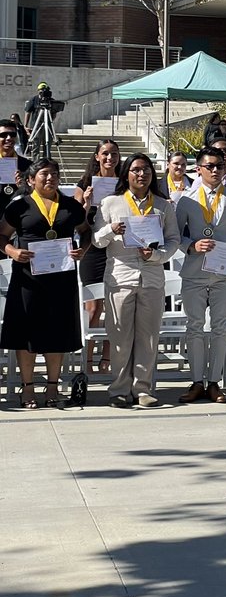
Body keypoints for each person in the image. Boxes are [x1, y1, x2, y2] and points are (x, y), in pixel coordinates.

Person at [0, 158, 91, 408]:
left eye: (54, 174)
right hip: (28, 279)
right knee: (26, 333)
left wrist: (82, 250)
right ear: (31, 180)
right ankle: (27, 387)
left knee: (57, 332)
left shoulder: (71, 206)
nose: (50, 178)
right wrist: (12, 252)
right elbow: (1, 235)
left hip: (61, 279)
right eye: (44, 174)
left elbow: (86, 231)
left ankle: (52, 386)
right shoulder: (19, 207)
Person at [93, 153, 180, 408]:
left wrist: (157, 255)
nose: (142, 175)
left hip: (152, 277)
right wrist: (112, 229)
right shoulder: (110, 203)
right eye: (136, 170)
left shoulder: (163, 206)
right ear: (126, 174)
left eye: (147, 171)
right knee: (120, 336)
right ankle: (119, 389)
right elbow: (97, 240)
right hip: (120, 277)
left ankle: (142, 388)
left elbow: (173, 239)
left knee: (149, 336)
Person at [175, 146, 226, 404]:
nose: (215, 170)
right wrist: (191, 246)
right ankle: (197, 381)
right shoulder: (185, 199)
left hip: (223, 273)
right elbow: (176, 236)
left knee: (220, 327)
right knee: (194, 326)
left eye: (219, 165)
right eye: (210, 166)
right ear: (199, 169)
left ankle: (214, 382)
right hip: (194, 271)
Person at [76, 138, 121, 373]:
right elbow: (76, 224)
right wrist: (85, 203)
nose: (109, 158)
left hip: (118, 249)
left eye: (114, 154)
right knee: (93, 308)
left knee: (114, 306)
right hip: (92, 250)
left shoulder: (124, 183)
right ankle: (88, 359)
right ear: (97, 157)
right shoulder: (84, 184)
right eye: (105, 154)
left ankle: (107, 359)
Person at [0, 117, 32, 213]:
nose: (9, 138)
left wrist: (25, 187)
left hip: (19, 216)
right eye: (3, 135)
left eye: (12, 134)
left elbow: (37, 195)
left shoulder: (28, 166)